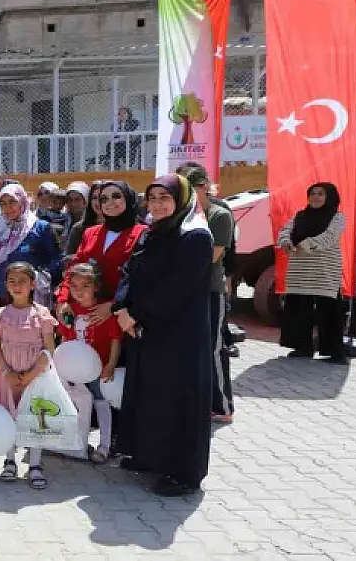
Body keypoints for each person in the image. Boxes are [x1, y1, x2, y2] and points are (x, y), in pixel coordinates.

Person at [113, 174, 214, 496]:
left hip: (179, 334)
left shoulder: (195, 236)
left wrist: (137, 314)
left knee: (177, 400)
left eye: (164, 198)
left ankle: (183, 473)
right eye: (152, 197)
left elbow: (177, 289)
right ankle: (149, 455)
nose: (156, 204)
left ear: (181, 199)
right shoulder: (153, 232)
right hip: (146, 329)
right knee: (149, 395)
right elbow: (130, 271)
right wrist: (121, 308)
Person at [177, 163, 237, 423]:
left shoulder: (219, 215)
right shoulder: (179, 214)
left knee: (213, 349)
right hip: (183, 293)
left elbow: (212, 256)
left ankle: (222, 405)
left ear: (203, 187)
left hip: (210, 290)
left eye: (188, 190)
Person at [0, 262, 56, 487]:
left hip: (34, 375)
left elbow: (49, 348)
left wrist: (32, 374)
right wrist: (6, 371)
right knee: (8, 415)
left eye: (23, 281)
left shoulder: (42, 314)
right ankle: (9, 460)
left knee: (35, 417)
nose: (17, 286)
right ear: (6, 285)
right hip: (7, 375)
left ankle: (35, 464)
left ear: (33, 284)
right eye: (12, 281)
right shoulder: (1, 315)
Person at [55, 181, 147, 325]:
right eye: (104, 199)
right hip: (88, 312)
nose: (109, 202)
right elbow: (75, 268)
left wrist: (113, 306)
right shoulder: (90, 233)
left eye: (116, 196)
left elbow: (141, 279)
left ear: (128, 199)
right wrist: (63, 299)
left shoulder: (143, 234)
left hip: (123, 316)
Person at [58, 263, 122, 464]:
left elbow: (115, 340)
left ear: (96, 286)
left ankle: (104, 446)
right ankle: (77, 442)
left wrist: (110, 365)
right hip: (74, 371)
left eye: (85, 286)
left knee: (101, 403)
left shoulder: (104, 310)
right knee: (75, 404)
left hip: (99, 368)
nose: (79, 291)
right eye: (74, 286)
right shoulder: (69, 311)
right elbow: (65, 340)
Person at [277, 182, 347, 364]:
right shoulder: (300, 216)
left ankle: (334, 352)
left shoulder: (337, 217)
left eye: (320, 194)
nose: (315, 197)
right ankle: (302, 347)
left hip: (324, 271)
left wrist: (305, 245)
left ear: (329, 197)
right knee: (299, 309)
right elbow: (285, 231)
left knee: (329, 311)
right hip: (300, 271)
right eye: (312, 194)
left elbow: (330, 237)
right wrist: (285, 242)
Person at [0, 184, 61, 306]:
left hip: (31, 296)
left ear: (22, 202)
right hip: (0, 296)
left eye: (12, 202)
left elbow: (55, 261)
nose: (7, 207)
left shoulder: (40, 228)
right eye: (3, 203)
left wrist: (40, 277)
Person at [65, 181, 105, 255]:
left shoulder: (122, 227)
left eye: (102, 197)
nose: (98, 202)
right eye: (94, 198)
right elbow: (70, 257)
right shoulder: (79, 228)